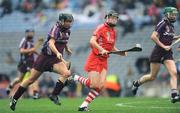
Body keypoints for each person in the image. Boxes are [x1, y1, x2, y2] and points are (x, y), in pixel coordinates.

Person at [9, 13, 73, 111]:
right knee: (31, 80)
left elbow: (64, 41)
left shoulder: (68, 31)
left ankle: (54, 95)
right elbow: (51, 43)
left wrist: (67, 48)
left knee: (67, 73)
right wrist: (57, 52)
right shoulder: (55, 28)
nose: (69, 23)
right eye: (67, 21)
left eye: (70, 21)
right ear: (62, 21)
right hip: (44, 58)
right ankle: (14, 99)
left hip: (55, 60)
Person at [71, 10, 127, 111]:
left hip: (104, 60)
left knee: (100, 86)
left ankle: (84, 105)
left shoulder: (114, 32)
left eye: (115, 18)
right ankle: (76, 77)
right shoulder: (101, 28)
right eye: (111, 18)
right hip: (95, 58)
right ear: (107, 18)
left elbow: (111, 47)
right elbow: (92, 41)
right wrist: (101, 49)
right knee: (94, 85)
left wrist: (120, 52)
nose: (113, 20)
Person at [132, 7, 180, 103]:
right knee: (152, 76)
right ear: (166, 14)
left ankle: (174, 95)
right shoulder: (162, 23)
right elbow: (153, 36)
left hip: (167, 53)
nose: (174, 16)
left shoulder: (172, 26)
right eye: (172, 14)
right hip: (158, 52)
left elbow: (169, 37)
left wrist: (178, 37)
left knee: (174, 73)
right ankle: (137, 83)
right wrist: (163, 46)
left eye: (175, 14)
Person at [6, 29, 40, 99]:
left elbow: (32, 51)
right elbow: (21, 51)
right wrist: (32, 50)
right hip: (25, 62)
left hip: (31, 63)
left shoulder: (32, 41)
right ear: (26, 33)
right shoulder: (24, 40)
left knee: (31, 77)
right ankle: (35, 93)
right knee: (22, 79)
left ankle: (11, 85)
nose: (31, 34)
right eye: (29, 33)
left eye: (32, 33)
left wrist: (38, 54)